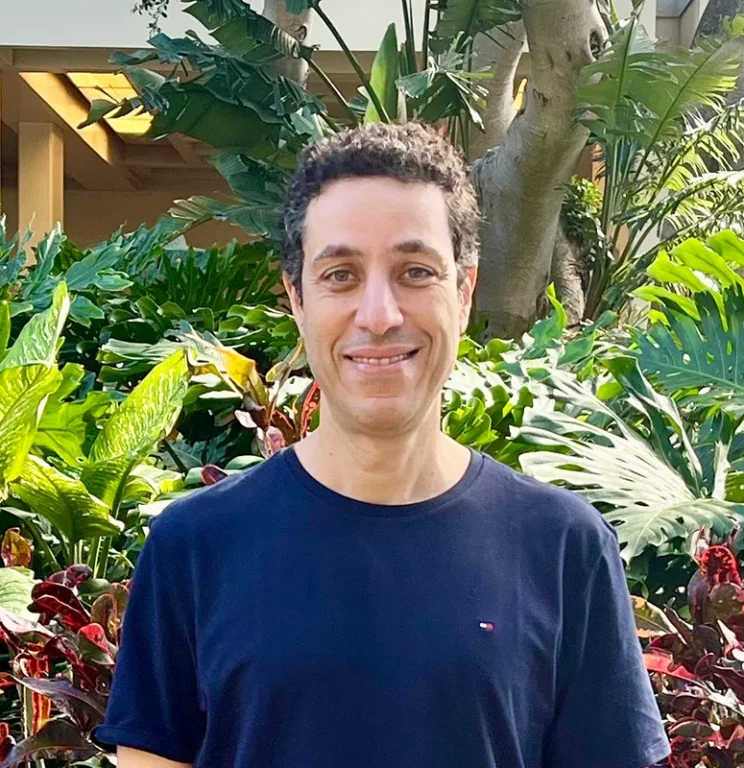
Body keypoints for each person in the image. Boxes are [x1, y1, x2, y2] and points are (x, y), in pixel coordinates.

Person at [90, 122, 671, 768]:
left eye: (415, 271)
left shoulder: (564, 549)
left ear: (464, 290)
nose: (379, 314)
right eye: (340, 274)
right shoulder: (194, 548)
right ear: (297, 298)